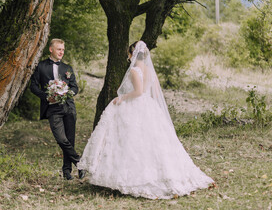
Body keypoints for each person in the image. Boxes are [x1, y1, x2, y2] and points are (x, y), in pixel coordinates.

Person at [78, 41, 214, 199]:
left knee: (131, 141)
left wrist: (122, 98)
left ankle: (132, 178)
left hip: (136, 105)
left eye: (129, 54)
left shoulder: (135, 70)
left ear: (132, 54)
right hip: (149, 106)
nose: (128, 57)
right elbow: (154, 93)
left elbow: (138, 92)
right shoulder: (150, 70)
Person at [30, 38, 85, 180]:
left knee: (70, 139)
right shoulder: (41, 66)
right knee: (61, 139)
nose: (61, 52)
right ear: (51, 49)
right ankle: (79, 162)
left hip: (69, 107)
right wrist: (46, 97)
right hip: (52, 109)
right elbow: (34, 86)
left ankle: (67, 171)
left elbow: (75, 87)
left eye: (63, 50)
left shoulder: (67, 68)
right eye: (59, 49)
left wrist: (66, 94)